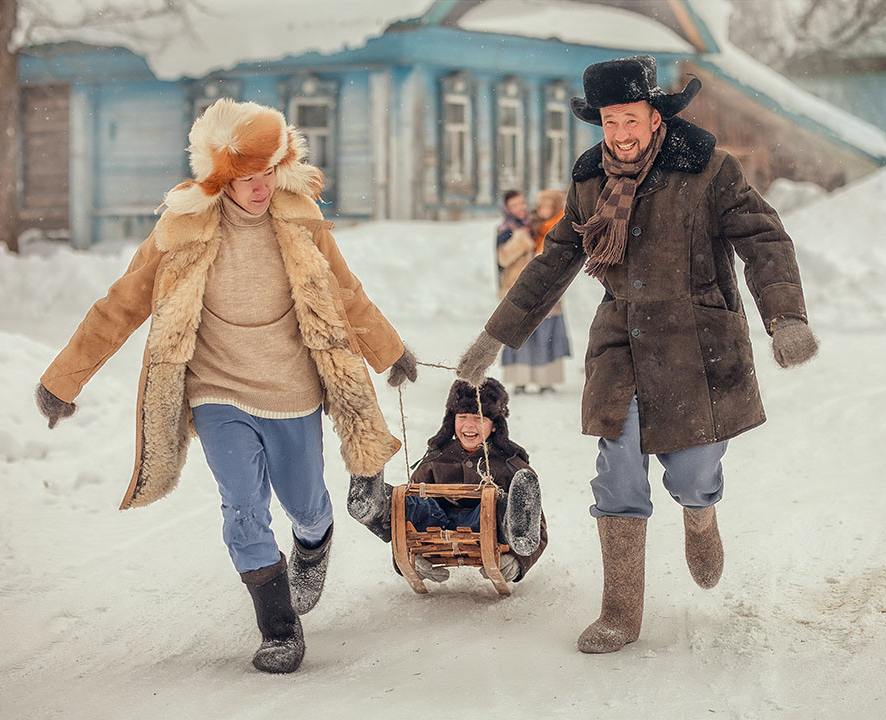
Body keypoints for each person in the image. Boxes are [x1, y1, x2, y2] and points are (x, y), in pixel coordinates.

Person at [33, 98, 417, 674]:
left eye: (269, 172)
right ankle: (279, 629)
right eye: (246, 177)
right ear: (220, 177)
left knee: (306, 503)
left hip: (292, 389)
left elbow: (346, 292)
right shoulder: (182, 228)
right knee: (242, 505)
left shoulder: (300, 218)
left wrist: (390, 351)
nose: (261, 187)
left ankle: (314, 541)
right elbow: (121, 303)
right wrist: (63, 379)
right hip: (216, 389)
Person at [456, 56, 819, 653]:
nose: (620, 133)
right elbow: (554, 260)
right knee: (618, 472)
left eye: (630, 119)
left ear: (655, 117)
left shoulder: (709, 169)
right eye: (609, 121)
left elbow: (763, 237)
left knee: (693, 472)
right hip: (620, 344)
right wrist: (496, 336)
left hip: (698, 342)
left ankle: (700, 513)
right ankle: (620, 613)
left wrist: (786, 317)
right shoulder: (590, 182)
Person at [350, 379, 547, 584]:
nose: (469, 425)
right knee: (409, 501)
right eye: (462, 417)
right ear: (452, 421)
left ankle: (518, 533)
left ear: (495, 425)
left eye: (478, 418)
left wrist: (517, 562)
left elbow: (540, 529)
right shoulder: (436, 459)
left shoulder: (510, 465)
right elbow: (410, 514)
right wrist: (407, 555)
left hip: (483, 527)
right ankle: (372, 502)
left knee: (496, 506)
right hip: (436, 526)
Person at [496, 189, 571, 394]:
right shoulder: (506, 229)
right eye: (514, 206)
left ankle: (545, 380)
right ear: (507, 209)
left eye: (521, 203)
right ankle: (520, 379)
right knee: (519, 335)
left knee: (545, 333)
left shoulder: (538, 225)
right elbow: (503, 258)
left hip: (545, 289)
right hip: (517, 289)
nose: (519, 208)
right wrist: (521, 239)